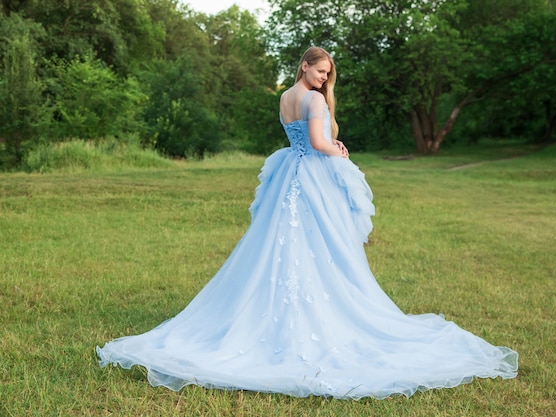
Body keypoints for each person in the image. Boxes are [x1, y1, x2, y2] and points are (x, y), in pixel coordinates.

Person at [97, 46, 518, 399]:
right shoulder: (315, 100)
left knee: (283, 244)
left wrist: (325, 133)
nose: (323, 79)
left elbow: (298, 137)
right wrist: (339, 151)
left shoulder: (284, 96)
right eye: (320, 71)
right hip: (312, 174)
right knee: (323, 246)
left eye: (327, 74)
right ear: (305, 65)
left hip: (290, 175)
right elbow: (318, 141)